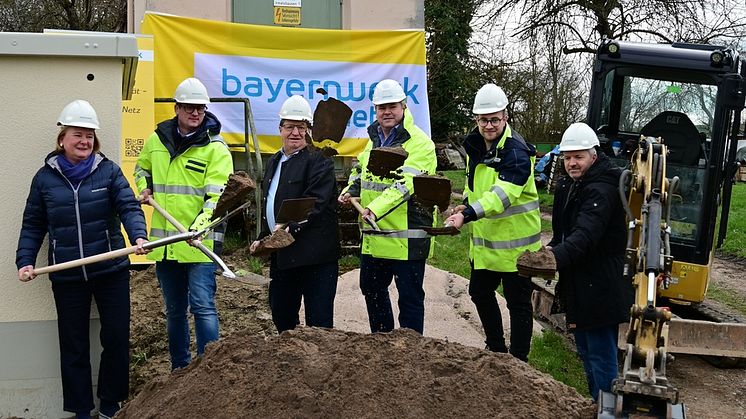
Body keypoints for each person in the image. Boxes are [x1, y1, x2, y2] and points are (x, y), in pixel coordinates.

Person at [16, 100, 149, 419]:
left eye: (90, 135)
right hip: (67, 274)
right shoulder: (44, 179)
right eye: (78, 134)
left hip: (111, 269)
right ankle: (80, 410)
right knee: (73, 345)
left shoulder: (109, 172)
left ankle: (110, 404)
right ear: (62, 138)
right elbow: (33, 223)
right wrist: (25, 260)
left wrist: (138, 236)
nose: (84, 141)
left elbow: (129, 207)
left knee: (116, 337)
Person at [524, 122, 632, 400]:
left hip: (600, 284)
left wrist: (553, 259)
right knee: (585, 349)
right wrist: (549, 251)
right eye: (568, 157)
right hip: (582, 283)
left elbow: (585, 236)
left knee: (600, 354)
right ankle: (595, 403)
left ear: (593, 155)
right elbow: (564, 234)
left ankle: (606, 408)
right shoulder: (571, 185)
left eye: (578, 157)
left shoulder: (601, 190)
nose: (572, 163)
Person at [134, 77, 233, 370]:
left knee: (203, 307)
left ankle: (206, 370)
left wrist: (198, 227)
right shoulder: (157, 140)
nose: (195, 113)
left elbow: (218, 199)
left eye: (200, 109)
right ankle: (179, 370)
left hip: (198, 245)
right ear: (177, 108)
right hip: (166, 245)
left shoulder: (216, 149)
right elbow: (142, 167)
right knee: (175, 311)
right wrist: (145, 185)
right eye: (189, 108)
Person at [444, 83, 541, 362]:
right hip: (486, 246)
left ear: (506, 117)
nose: (489, 125)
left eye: (495, 119)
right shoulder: (474, 145)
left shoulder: (517, 153)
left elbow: (502, 196)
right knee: (479, 292)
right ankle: (497, 349)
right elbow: (474, 184)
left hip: (516, 249)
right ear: (476, 119)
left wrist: (467, 214)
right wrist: (464, 202)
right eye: (484, 120)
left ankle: (519, 360)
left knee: (518, 304)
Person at [338, 79, 436, 334]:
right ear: (375, 110)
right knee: (371, 289)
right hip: (375, 235)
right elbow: (361, 170)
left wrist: (375, 209)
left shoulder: (421, 145)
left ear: (404, 106)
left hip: (407, 238)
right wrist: (351, 190)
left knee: (410, 298)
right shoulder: (374, 140)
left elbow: (406, 186)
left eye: (392, 106)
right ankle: (382, 344)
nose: (386, 112)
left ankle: (411, 351)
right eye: (381, 107)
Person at [249, 95, 340, 333]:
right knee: (282, 318)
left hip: (315, 260)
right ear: (280, 129)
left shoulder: (320, 161)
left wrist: (288, 229)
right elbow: (270, 205)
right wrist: (263, 237)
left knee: (318, 326)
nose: (295, 133)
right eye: (290, 126)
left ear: (309, 130)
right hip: (283, 258)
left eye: (302, 127)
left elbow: (315, 204)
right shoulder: (274, 162)